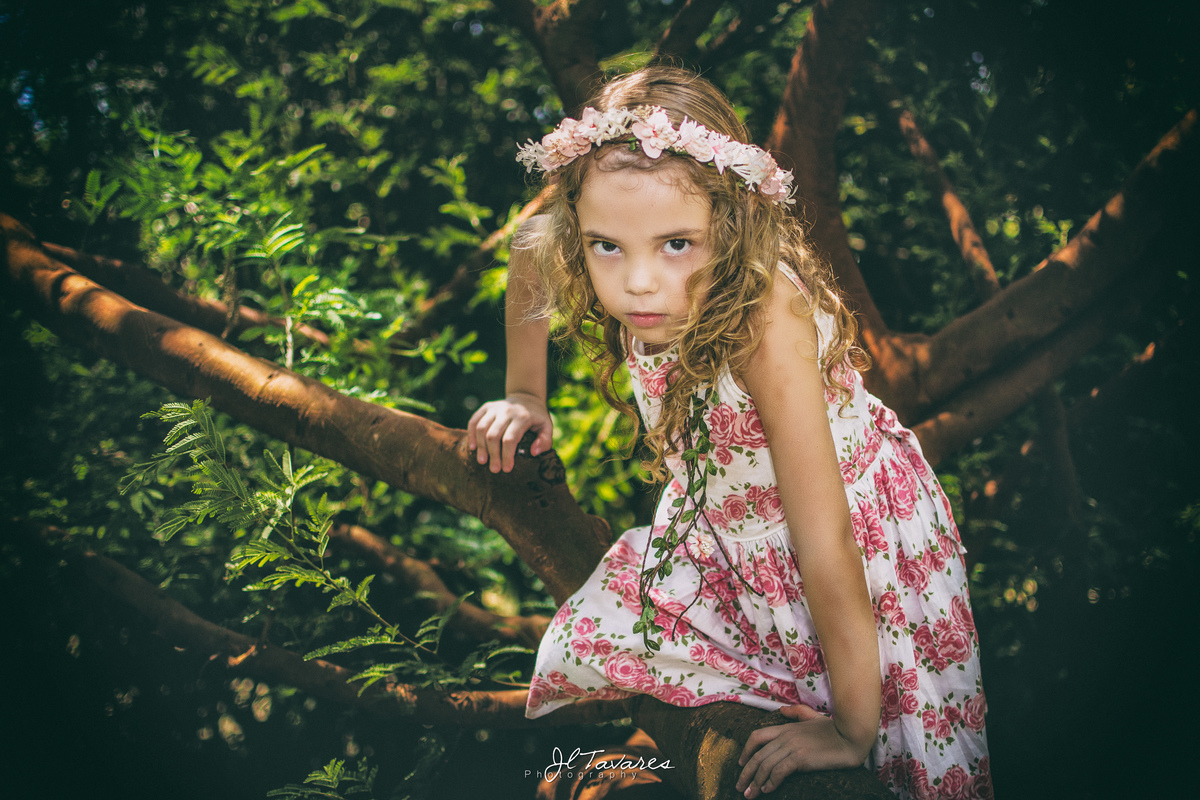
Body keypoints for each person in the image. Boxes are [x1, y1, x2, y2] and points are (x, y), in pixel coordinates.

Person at [467, 67, 992, 800]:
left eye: (676, 243)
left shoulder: (763, 315)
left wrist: (850, 730)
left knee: (895, 763)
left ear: (734, 220)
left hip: (851, 551)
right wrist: (525, 394)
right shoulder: (577, 242)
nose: (639, 281)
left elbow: (825, 538)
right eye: (606, 245)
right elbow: (531, 247)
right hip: (728, 536)